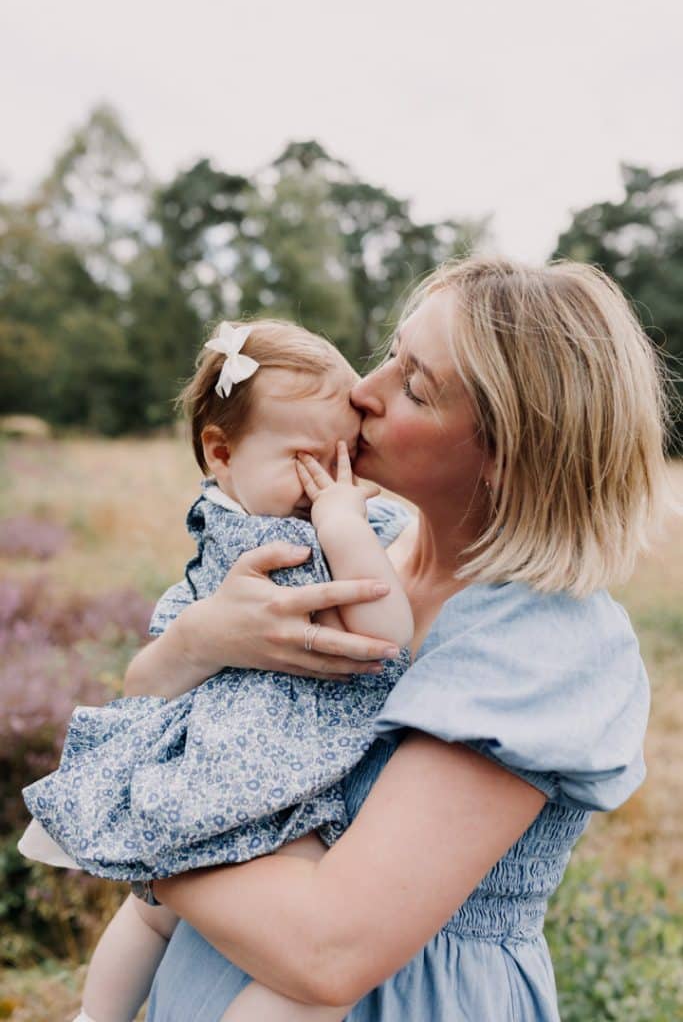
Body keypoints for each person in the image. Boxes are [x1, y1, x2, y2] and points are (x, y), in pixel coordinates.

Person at [124, 257, 671, 1022]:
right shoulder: (350, 539)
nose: (362, 392)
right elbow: (150, 698)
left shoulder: (543, 644)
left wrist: (124, 814)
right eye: (390, 355)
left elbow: (327, 951)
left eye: (414, 386)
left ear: (506, 453)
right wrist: (195, 642)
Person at [18, 318, 414, 1022]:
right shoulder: (275, 535)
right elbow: (387, 632)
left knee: (156, 914)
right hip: (263, 772)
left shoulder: (251, 510)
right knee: (309, 971)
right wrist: (344, 525)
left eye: (344, 456)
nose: (327, 482)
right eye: (304, 458)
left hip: (232, 764)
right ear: (220, 452)